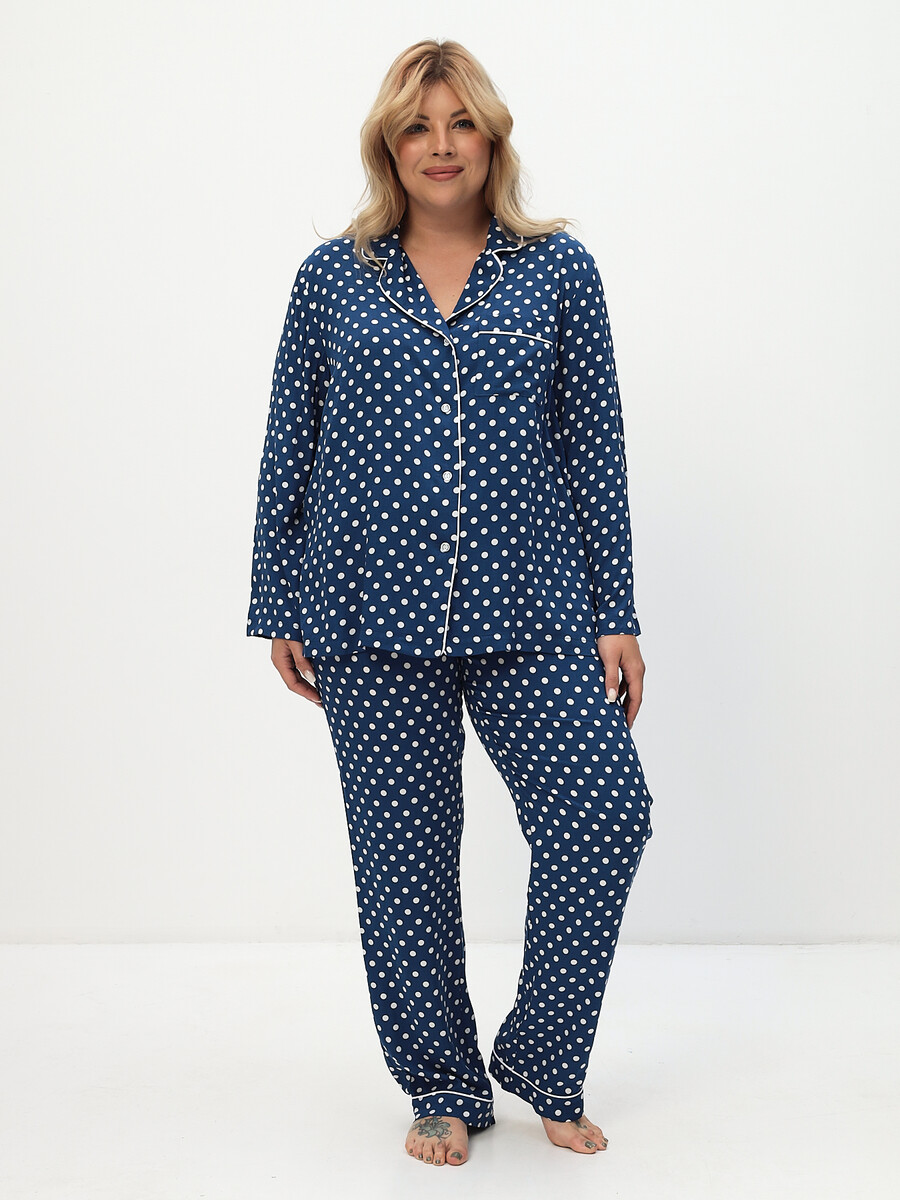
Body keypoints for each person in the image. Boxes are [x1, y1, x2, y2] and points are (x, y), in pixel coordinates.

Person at [246, 37, 655, 1167]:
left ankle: (544, 1058)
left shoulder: (558, 272)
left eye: (461, 122)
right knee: (402, 861)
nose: (440, 145)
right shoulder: (332, 278)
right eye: (417, 126)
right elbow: (291, 445)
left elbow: (594, 449)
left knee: (605, 812)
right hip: (363, 609)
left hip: (534, 605)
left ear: (492, 139)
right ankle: (441, 1084)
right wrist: (278, 601)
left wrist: (616, 612)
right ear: (388, 144)